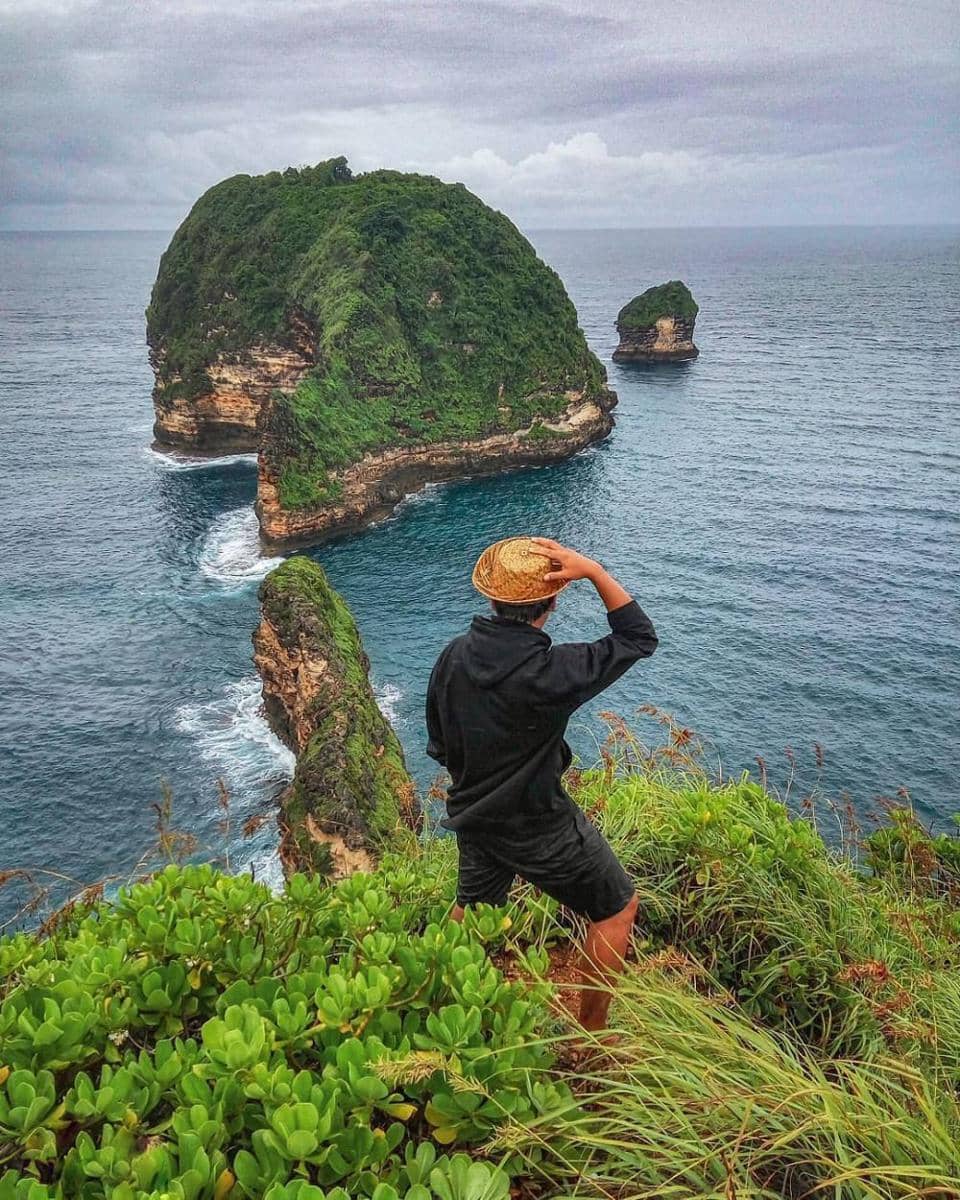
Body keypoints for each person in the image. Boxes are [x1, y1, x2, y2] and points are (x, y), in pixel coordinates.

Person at [425, 535, 658, 1031]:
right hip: (540, 824)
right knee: (617, 908)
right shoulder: (552, 671)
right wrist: (593, 570)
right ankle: (591, 1036)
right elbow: (638, 636)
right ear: (551, 602)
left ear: (493, 599)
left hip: (475, 816)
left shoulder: (453, 656)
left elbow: (440, 743)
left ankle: (427, 1004)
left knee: (470, 912)